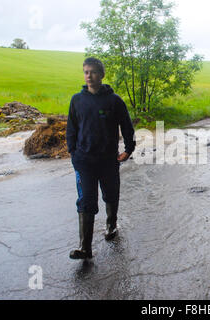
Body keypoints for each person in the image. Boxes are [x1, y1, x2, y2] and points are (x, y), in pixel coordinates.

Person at [66, 57, 136, 260]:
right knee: (86, 201)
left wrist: (128, 150)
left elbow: (127, 127)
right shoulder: (77, 100)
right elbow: (71, 129)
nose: (89, 76)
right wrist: (73, 154)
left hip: (108, 160)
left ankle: (111, 226)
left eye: (93, 72)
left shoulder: (114, 101)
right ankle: (85, 248)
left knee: (111, 195)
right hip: (84, 161)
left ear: (102, 75)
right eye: (86, 72)